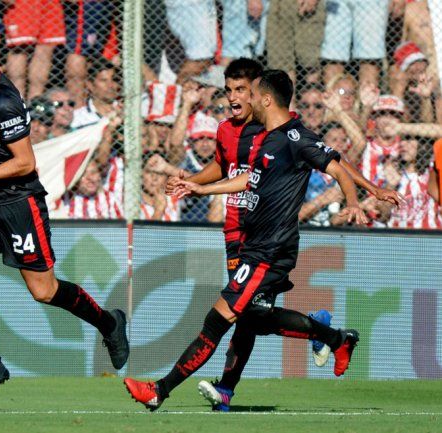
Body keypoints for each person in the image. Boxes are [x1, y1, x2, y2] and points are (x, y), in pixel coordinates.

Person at [125, 69, 369, 411]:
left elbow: (338, 168)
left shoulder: (294, 137)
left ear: (265, 99)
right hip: (256, 245)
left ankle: (159, 391)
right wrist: (201, 187)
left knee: (218, 319)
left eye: (250, 93)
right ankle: (334, 338)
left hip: (270, 250)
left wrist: (356, 201)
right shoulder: (268, 139)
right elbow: (246, 181)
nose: (243, 99)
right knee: (252, 318)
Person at [0, 35, 129, 395]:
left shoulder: (6, 103)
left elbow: (25, 163)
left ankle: (108, 323)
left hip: (19, 204)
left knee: (44, 291)